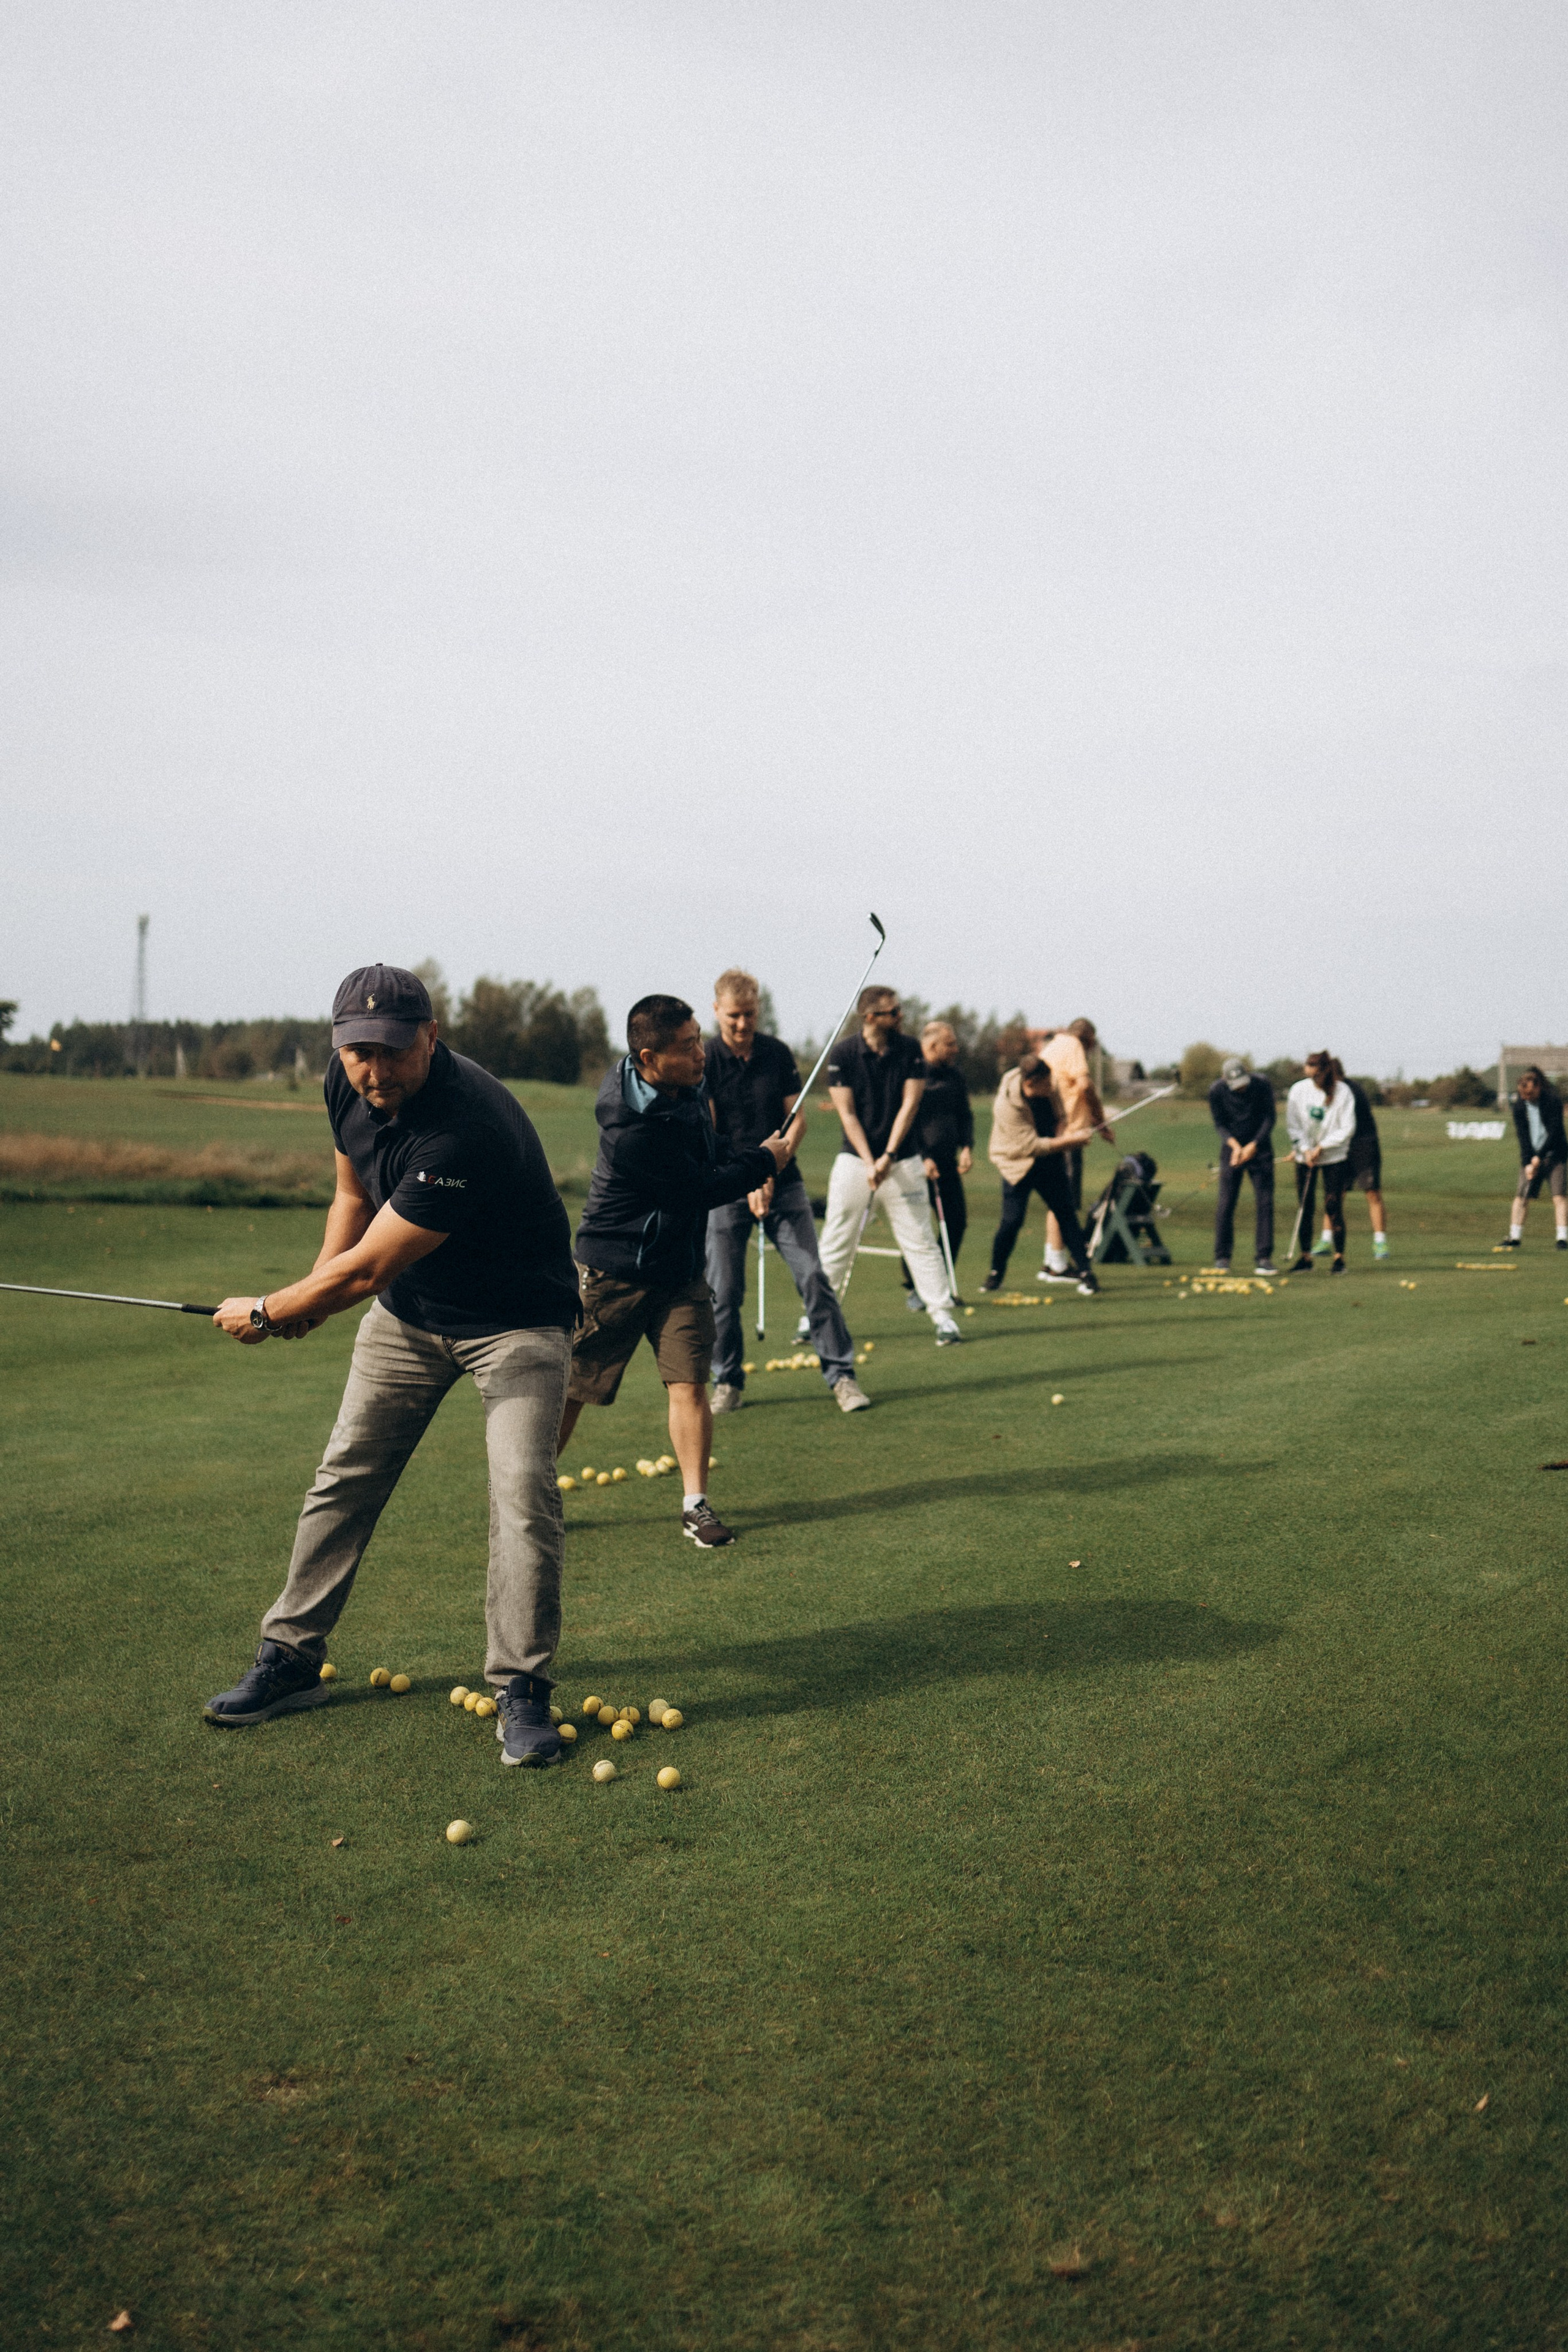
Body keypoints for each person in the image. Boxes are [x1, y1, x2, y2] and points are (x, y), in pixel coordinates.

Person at [204, 963, 582, 1768]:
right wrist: (309, 1291)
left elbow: (371, 1269)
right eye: (356, 1051)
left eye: (389, 1049)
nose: (373, 1069)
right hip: (412, 1315)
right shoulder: (348, 1086)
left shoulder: (463, 1124)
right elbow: (352, 1193)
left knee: (523, 1492)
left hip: (516, 1323)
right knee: (344, 1474)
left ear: (430, 1037)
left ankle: (521, 1692)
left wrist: (278, 1307)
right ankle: (291, 1659)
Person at [561, 993, 791, 1548]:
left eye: (697, 1039)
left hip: (678, 1272)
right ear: (648, 1057)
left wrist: (749, 1156)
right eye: (687, 1046)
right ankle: (527, 1492)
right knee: (574, 1389)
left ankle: (695, 1504)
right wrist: (763, 1163)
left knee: (690, 1384)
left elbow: (708, 1151)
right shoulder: (630, 1124)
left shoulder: (684, 1088)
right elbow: (695, 1191)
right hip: (613, 1272)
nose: (701, 1052)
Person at [702, 968, 870, 1414]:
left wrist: (771, 1168)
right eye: (734, 1016)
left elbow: (796, 1120)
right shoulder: (705, 1059)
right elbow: (709, 1134)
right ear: (717, 1011)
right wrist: (748, 1176)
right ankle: (727, 1381)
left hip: (784, 1182)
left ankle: (842, 1376)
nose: (742, 1025)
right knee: (722, 1290)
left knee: (813, 1276)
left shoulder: (776, 1054)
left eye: (750, 1015)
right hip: (727, 1186)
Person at [816, 986, 965, 1344]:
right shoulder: (843, 1054)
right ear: (870, 1018)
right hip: (854, 1160)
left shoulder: (911, 1049)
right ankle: (816, 1318)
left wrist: (889, 1156)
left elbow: (910, 1106)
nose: (900, 1017)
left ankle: (943, 1317)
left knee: (921, 1240)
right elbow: (847, 1113)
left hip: (903, 1160)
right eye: (893, 1012)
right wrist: (870, 1160)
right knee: (837, 1238)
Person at [982, 1054, 1099, 1293]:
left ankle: (1086, 1273)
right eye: (1045, 1085)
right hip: (1018, 1163)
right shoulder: (1007, 1105)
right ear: (1030, 1084)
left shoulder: (1048, 1083)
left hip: (1050, 1161)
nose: (1051, 1088)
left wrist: (1062, 1132)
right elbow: (1031, 1146)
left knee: (1066, 1214)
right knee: (1012, 1221)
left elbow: (1061, 1116)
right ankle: (995, 1274)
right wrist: (1069, 1142)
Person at [900, 1019, 974, 1312]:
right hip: (916, 1161)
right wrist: (922, 1154)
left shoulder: (955, 1075)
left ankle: (937, 1284)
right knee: (918, 1227)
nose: (956, 1049)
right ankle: (918, 1286)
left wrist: (967, 1146)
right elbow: (908, 1118)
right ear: (932, 1046)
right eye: (951, 1044)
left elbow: (965, 1114)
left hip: (947, 1162)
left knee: (956, 1222)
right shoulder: (914, 1072)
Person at [1038, 1017, 1115, 1281]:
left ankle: (1053, 1261)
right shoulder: (1074, 1047)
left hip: (1050, 1135)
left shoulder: (1052, 1047)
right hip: (1070, 1136)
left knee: (1056, 1200)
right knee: (1065, 1202)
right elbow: (1084, 1086)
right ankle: (1057, 1265)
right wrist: (1100, 1118)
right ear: (1088, 1039)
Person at [1285, 1050, 1355, 1272]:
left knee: (1333, 1205)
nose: (1308, 1071)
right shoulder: (1298, 1090)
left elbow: (1347, 1127)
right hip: (1305, 1157)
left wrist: (1323, 1147)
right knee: (1305, 1206)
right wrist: (1306, 1149)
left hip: (1334, 1156)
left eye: (1312, 1067)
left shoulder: (1343, 1092)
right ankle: (1305, 1257)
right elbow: (1293, 1125)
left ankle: (1339, 1258)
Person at [1207, 1055, 1277, 1275]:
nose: (1241, 1090)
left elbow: (1270, 1118)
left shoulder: (1262, 1084)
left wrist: (1254, 1145)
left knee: (1265, 1203)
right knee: (1226, 1203)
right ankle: (1222, 1257)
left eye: (1243, 1084)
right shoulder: (1216, 1091)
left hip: (1260, 1147)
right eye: (1235, 1086)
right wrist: (1236, 1147)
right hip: (1232, 1148)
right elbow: (1220, 1123)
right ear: (1224, 1079)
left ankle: (1263, 1258)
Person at [1314, 1070, 1389, 1261]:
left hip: (1364, 1146)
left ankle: (1380, 1241)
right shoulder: (1328, 1091)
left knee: (1372, 1193)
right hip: (1340, 1147)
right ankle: (1326, 1239)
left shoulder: (1351, 1091)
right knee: (1335, 1194)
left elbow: (1346, 1126)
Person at [1502, 1065, 1568, 1250]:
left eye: (1530, 1094)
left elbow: (1555, 1132)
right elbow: (1523, 1136)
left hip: (1555, 1156)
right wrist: (1528, 1162)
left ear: (1539, 1088)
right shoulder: (1520, 1107)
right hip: (1531, 1157)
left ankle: (1562, 1239)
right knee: (1522, 1196)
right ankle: (1515, 1237)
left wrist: (1539, 1157)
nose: (1527, 1098)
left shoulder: (1552, 1102)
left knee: (1559, 1197)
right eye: (1523, 1095)